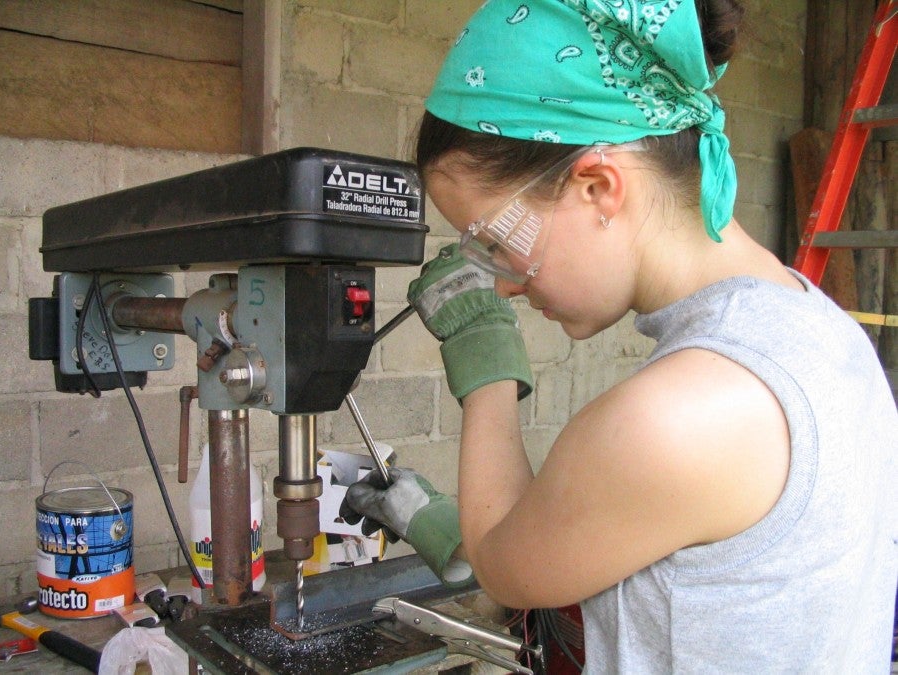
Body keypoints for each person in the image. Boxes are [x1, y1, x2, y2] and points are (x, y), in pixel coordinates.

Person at [340, 0, 898, 671]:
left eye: (497, 242)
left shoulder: (673, 416)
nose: (504, 285)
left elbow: (502, 567)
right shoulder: (823, 329)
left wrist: (483, 359)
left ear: (599, 186)